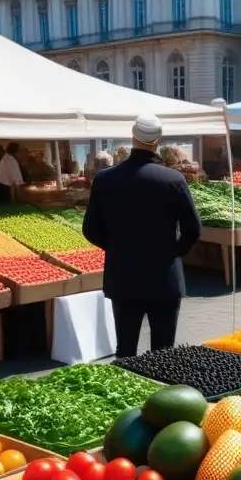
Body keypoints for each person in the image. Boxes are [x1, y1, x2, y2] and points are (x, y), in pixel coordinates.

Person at [83, 114, 201, 358]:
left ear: (133, 137)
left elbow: (90, 229)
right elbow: (193, 230)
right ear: (157, 140)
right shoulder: (173, 179)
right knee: (164, 354)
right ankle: (162, 394)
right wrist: (173, 251)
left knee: (125, 350)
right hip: (164, 277)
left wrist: (117, 247)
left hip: (124, 276)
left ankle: (128, 395)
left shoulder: (105, 179)